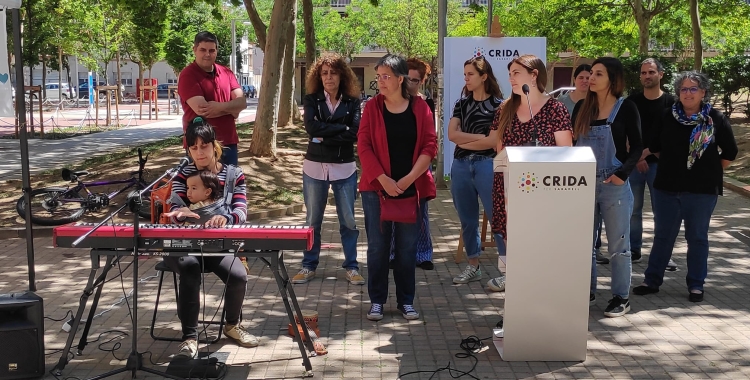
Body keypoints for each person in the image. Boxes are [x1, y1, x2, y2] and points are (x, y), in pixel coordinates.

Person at [633, 71, 737, 303]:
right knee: (662, 236)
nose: (687, 93)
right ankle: (652, 281)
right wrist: (674, 164)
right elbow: (656, 147)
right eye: (683, 89)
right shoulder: (666, 116)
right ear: (678, 92)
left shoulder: (715, 118)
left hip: (702, 191)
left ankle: (696, 285)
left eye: (693, 89)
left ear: (703, 92)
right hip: (667, 188)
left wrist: (707, 170)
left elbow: (730, 152)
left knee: (697, 237)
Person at [161, 118, 256, 359]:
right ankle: (190, 338)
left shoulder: (234, 175)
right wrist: (182, 215)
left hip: (217, 244)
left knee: (238, 275)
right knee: (190, 268)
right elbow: (175, 210)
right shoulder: (183, 174)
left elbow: (241, 210)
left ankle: (232, 325)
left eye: (204, 146)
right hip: (183, 245)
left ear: (215, 146)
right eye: (193, 147)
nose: (199, 152)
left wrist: (228, 219)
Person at [358, 54, 437, 321]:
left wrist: (409, 179)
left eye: (385, 76)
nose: (379, 81)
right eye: (378, 76)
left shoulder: (420, 108)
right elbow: (364, 146)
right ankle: (377, 300)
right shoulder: (372, 107)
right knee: (378, 247)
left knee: (406, 248)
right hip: (376, 188)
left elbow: (430, 145)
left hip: (411, 188)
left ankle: (406, 301)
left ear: (400, 79)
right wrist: (383, 179)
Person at [486, 54, 573, 291]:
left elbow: (566, 154)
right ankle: (515, 304)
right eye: (510, 74)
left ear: (534, 76)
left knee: (540, 250)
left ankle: (539, 299)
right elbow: (499, 149)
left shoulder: (555, 109)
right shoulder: (504, 109)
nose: (511, 79)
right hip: (509, 190)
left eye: (516, 73)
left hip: (544, 193)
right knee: (514, 249)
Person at [572, 57, 642, 318]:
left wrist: (621, 175)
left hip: (614, 185)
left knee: (618, 245)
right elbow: (570, 144)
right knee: (583, 243)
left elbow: (636, 146)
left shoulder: (627, 108)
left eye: (598, 74)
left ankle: (620, 297)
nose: (591, 78)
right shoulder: (581, 107)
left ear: (612, 80)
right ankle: (586, 291)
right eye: (590, 73)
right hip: (582, 184)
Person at [292, 53, 364, 286]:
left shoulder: (353, 102)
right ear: (318, 76)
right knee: (312, 221)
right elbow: (311, 128)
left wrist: (323, 137)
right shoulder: (312, 99)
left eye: (333, 72)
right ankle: (308, 265)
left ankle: (352, 267)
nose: (329, 77)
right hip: (314, 168)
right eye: (324, 73)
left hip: (344, 168)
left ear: (342, 75)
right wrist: (337, 129)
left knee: (349, 221)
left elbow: (354, 133)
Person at [446, 55, 505, 286]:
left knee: (497, 218)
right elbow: (452, 136)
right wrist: (480, 138)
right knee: (467, 220)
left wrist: (465, 140)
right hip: (460, 166)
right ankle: (473, 266)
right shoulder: (461, 104)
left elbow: (494, 141)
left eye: (470, 74)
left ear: (484, 76)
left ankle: (507, 269)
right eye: (465, 74)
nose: (466, 78)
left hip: (488, 165)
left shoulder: (500, 105)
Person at [626, 58, 677, 271]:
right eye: (644, 73)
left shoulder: (672, 103)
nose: (647, 76)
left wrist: (646, 154)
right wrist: (637, 157)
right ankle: (633, 250)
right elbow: (625, 134)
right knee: (633, 210)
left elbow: (673, 136)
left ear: (661, 75)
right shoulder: (632, 102)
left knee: (662, 212)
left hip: (660, 166)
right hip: (634, 165)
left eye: (651, 72)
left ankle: (663, 255)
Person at [389, 58, 435, 270]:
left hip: (418, 171)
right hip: (391, 170)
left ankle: (423, 254)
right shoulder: (384, 104)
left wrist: (415, 172)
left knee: (420, 215)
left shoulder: (425, 106)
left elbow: (429, 142)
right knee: (390, 215)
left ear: (422, 82)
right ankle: (391, 254)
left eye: (415, 80)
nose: (410, 84)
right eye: (406, 78)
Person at [178, 31, 247, 166]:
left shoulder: (226, 72)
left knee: (230, 184)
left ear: (216, 51)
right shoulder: (188, 75)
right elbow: (204, 110)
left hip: (229, 142)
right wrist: (232, 108)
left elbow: (242, 102)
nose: (207, 54)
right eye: (203, 50)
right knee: (205, 186)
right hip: (201, 145)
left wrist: (219, 107)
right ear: (195, 50)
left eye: (211, 50)